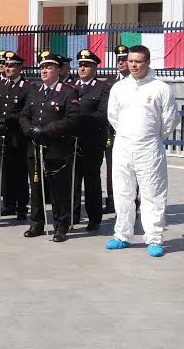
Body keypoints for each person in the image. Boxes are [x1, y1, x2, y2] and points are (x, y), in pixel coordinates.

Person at [105, 45, 180, 257]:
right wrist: (128, 135)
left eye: (138, 61)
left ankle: (154, 238)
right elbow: (113, 116)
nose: (134, 65)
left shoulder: (160, 88)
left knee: (152, 193)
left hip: (149, 147)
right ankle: (122, 235)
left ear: (147, 63)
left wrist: (154, 137)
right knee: (122, 192)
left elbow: (170, 119)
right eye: (130, 61)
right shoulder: (119, 88)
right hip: (123, 145)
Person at [20, 52, 80, 241]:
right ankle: (36, 223)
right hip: (35, 147)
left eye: (49, 67)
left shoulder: (68, 91)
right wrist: (30, 130)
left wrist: (46, 130)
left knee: (58, 190)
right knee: (36, 188)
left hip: (57, 148)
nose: (44, 70)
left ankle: (61, 226)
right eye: (42, 67)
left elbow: (72, 119)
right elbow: (24, 115)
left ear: (58, 70)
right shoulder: (35, 91)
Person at [72, 49, 110, 232]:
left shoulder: (102, 88)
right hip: (71, 140)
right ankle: (72, 215)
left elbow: (103, 115)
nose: (82, 68)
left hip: (92, 140)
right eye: (80, 65)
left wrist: (78, 119)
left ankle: (94, 217)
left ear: (95, 67)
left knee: (91, 180)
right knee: (72, 179)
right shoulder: (70, 86)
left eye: (86, 65)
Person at [0, 51, 32, 220]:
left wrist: (7, 119)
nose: (8, 68)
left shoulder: (27, 87)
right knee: (5, 171)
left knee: (20, 172)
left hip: (19, 135)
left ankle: (22, 206)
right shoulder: (1, 85)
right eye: (6, 65)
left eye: (11, 66)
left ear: (20, 67)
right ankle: (8, 204)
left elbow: (26, 112)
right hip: (4, 135)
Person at [104, 44, 131, 214]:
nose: (121, 62)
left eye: (124, 59)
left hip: (129, 132)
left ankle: (131, 202)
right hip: (112, 133)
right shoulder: (109, 83)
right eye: (119, 59)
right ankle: (112, 200)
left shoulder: (136, 82)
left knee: (130, 170)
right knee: (112, 168)